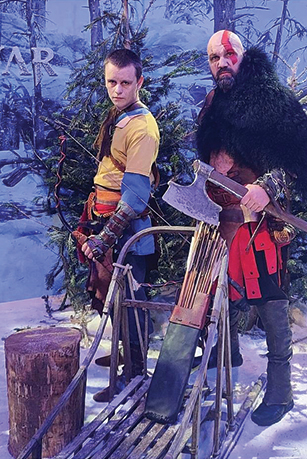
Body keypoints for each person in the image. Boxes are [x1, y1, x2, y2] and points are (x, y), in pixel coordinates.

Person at [196, 30, 307, 426]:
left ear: (243, 56)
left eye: (228, 54)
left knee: (270, 301)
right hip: (221, 217)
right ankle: (228, 351)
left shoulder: (271, 99)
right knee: (218, 287)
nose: (221, 63)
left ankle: (281, 392)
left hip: (260, 223)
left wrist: (269, 187)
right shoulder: (215, 102)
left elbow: (304, 161)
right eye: (214, 57)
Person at [79, 48, 160, 402]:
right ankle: (127, 356)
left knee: (131, 303)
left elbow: (137, 193)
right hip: (108, 224)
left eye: (126, 82)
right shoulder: (119, 114)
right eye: (111, 81)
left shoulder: (142, 127)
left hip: (127, 233)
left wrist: (106, 238)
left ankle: (134, 375)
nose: (118, 89)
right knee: (115, 301)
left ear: (139, 82)